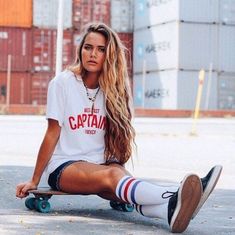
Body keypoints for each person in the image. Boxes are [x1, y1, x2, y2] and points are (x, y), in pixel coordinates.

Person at [16, 22, 222, 233]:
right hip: (65, 167)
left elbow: (119, 136)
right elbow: (52, 134)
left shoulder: (115, 90)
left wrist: (118, 166)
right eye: (88, 47)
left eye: (101, 49)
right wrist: (35, 179)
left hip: (102, 165)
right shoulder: (62, 83)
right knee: (115, 178)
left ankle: (168, 212)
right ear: (80, 50)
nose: (93, 54)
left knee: (125, 184)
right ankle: (177, 194)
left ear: (110, 55)